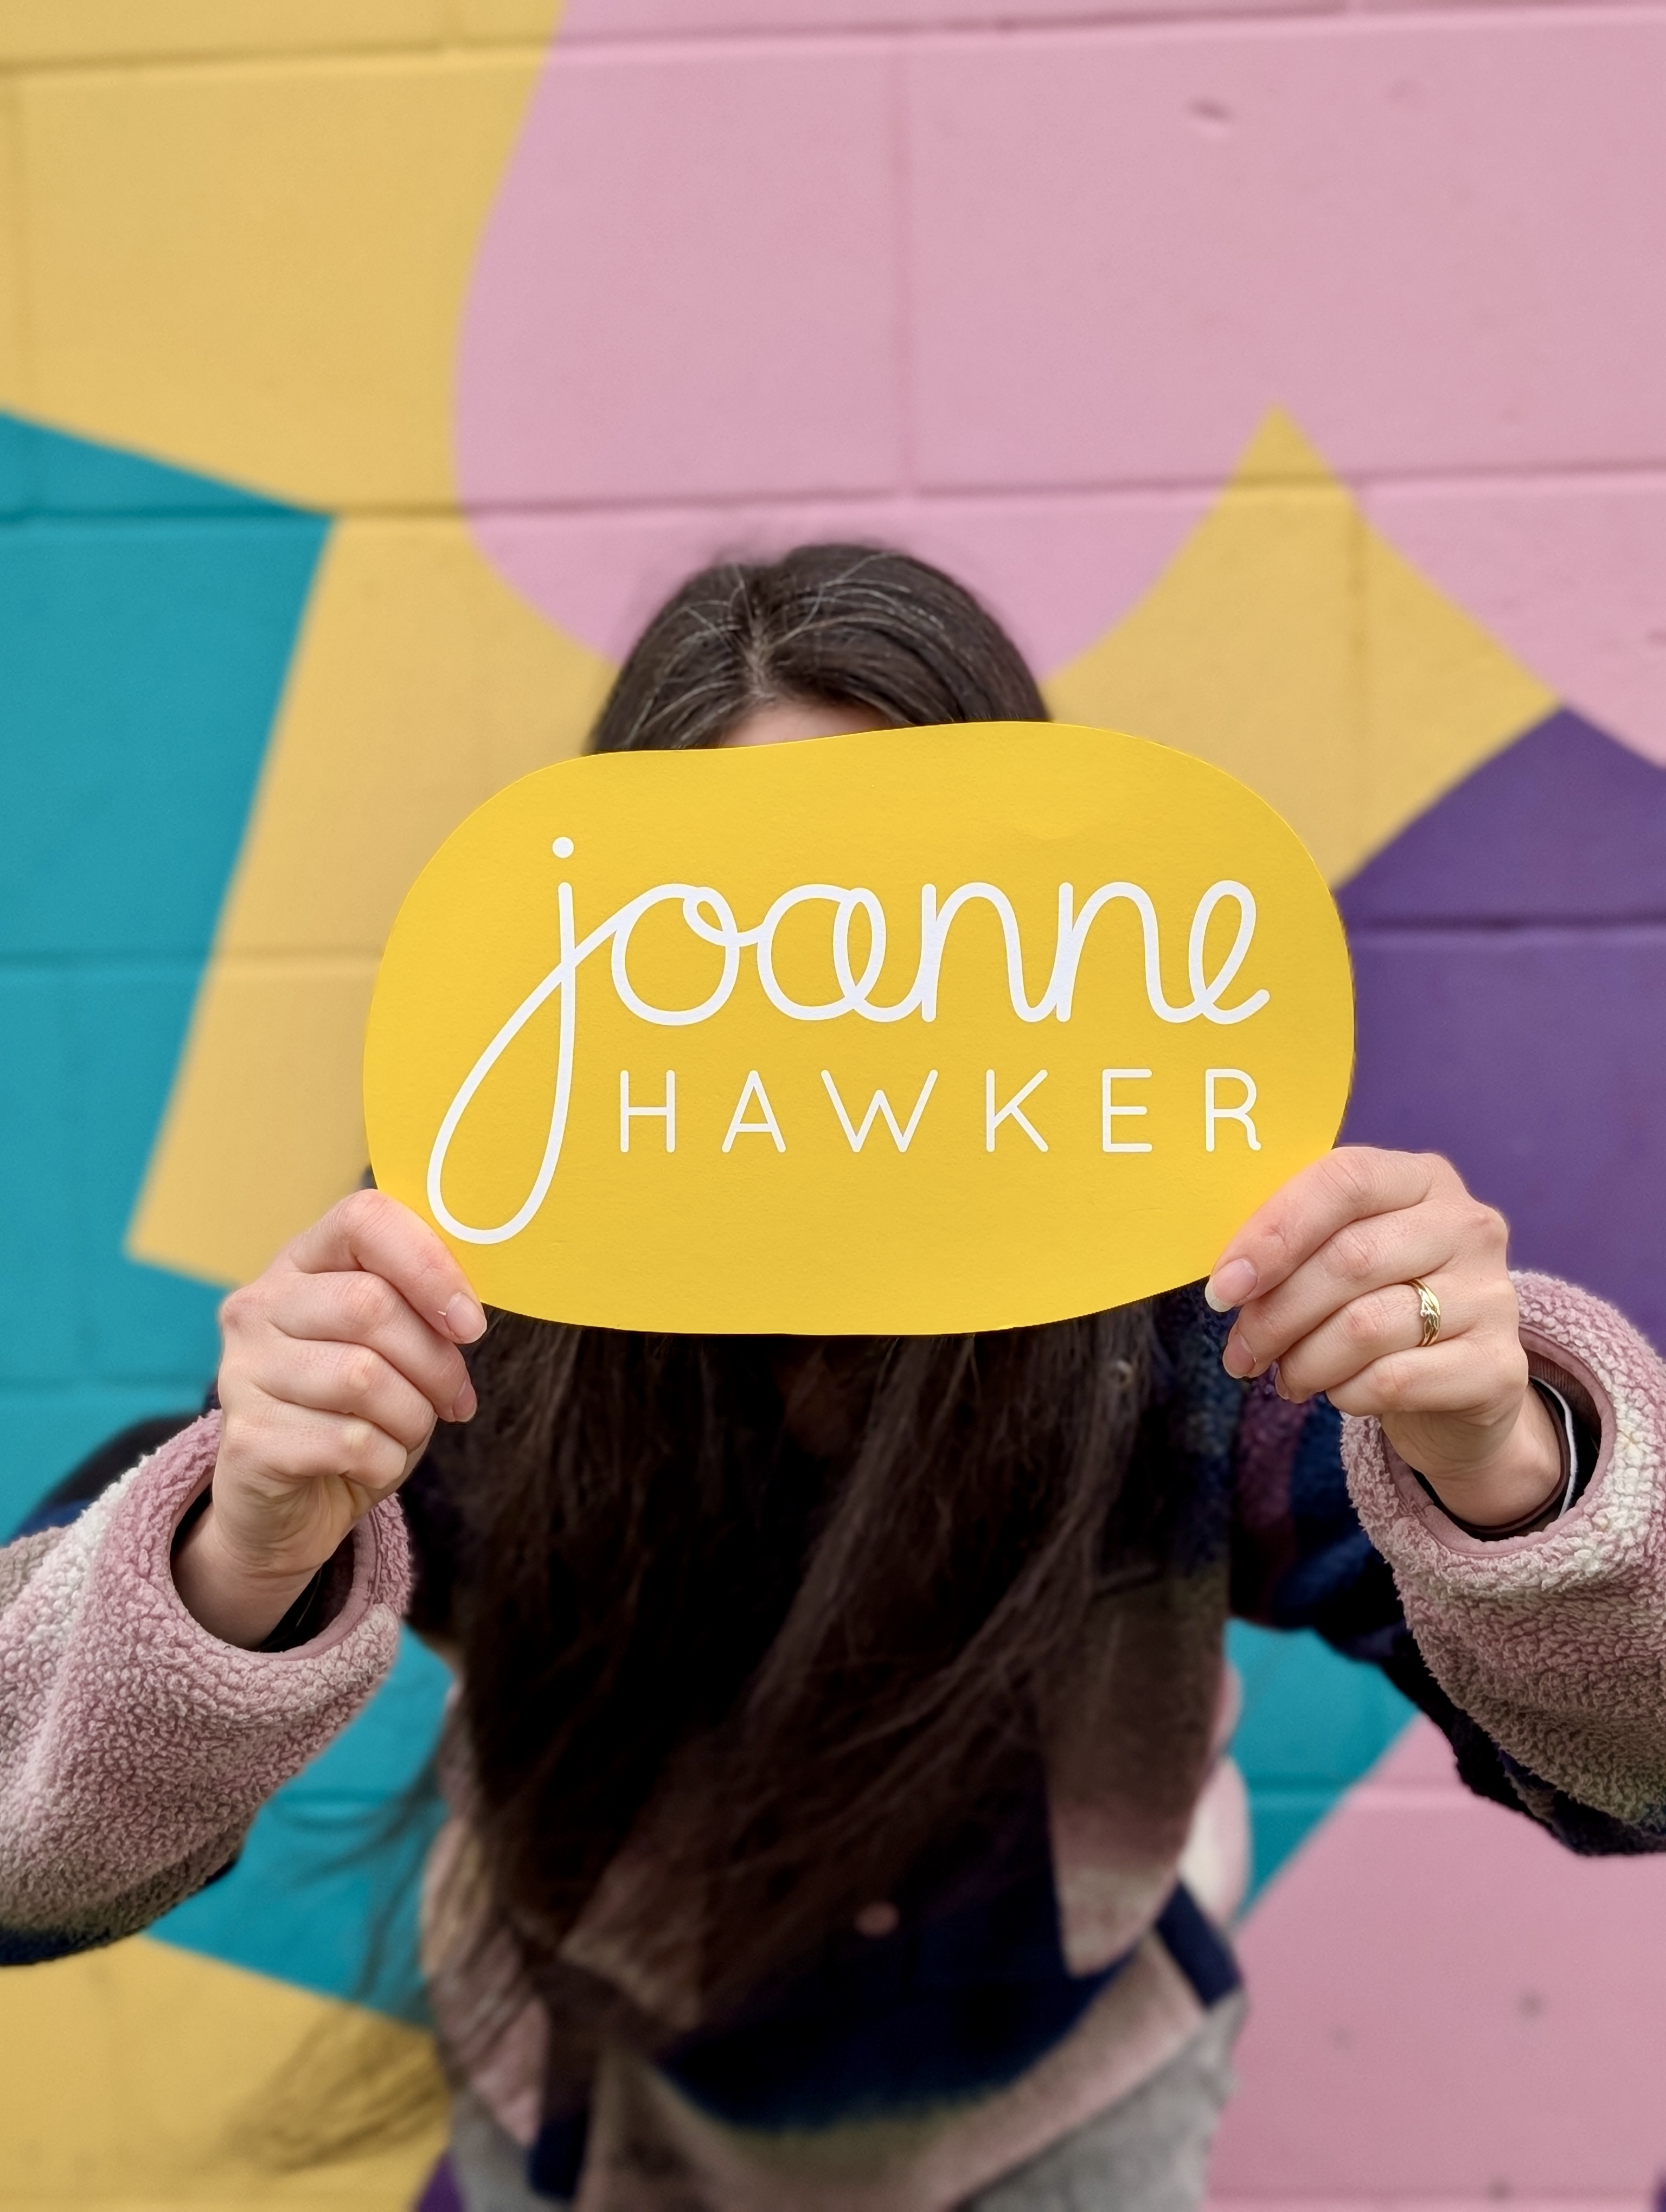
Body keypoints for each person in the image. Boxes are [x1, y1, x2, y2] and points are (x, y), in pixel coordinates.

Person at [5, 545, 1665, 2212]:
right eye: (748, 934)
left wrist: (1509, 1462)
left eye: (909, 920)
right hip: (600, 2109)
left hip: (1065, 2112)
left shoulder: (1191, 1316)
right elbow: (28, 1857)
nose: (837, 1001)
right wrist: (240, 1548)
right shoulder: (482, 1303)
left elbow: (1641, 1767)